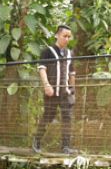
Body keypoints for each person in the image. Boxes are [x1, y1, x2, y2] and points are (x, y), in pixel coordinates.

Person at [32, 24, 77, 154]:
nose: (67, 39)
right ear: (57, 35)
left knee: (67, 118)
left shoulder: (70, 53)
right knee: (48, 116)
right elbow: (42, 69)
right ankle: (37, 140)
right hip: (51, 92)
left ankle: (66, 147)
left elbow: (72, 73)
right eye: (65, 36)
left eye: (69, 37)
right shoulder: (47, 51)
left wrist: (72, 90)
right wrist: (46, 85)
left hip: (66, 93)